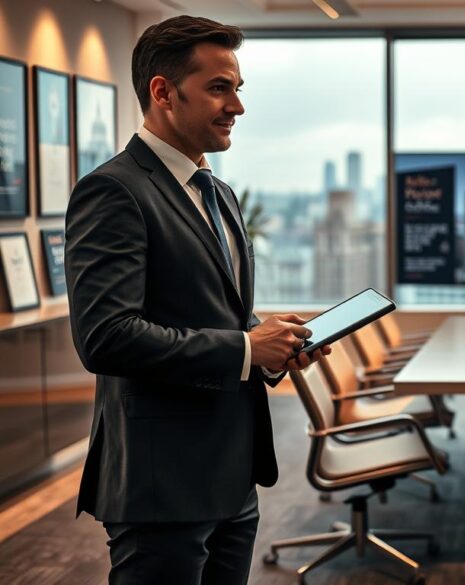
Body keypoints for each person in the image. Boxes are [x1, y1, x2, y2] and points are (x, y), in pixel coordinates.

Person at [65, 15, 329, 585]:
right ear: (163, 92)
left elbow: (217, 313)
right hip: (163, 480)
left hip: (232, 471)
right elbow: (105, 336)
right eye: (219, 88)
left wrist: (271, 342)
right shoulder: (113, 191)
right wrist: (243, 348)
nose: (237, 105)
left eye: (237, 88)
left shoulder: (219, 192)